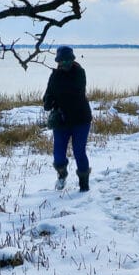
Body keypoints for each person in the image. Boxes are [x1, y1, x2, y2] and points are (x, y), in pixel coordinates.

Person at [43, 46, 93, 192]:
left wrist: (56, 99)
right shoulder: (54, 76)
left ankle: (84, 184)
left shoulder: (80, 73)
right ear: (58, 61)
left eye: (68, 60)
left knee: (79, 152)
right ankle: (62, 174)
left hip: (81, 119)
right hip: (61, 121)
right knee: (58, 155)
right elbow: (49, 93)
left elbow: (75, 92)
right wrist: (47, 101)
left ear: (73, 59)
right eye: (62, 60)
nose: (65, 63)